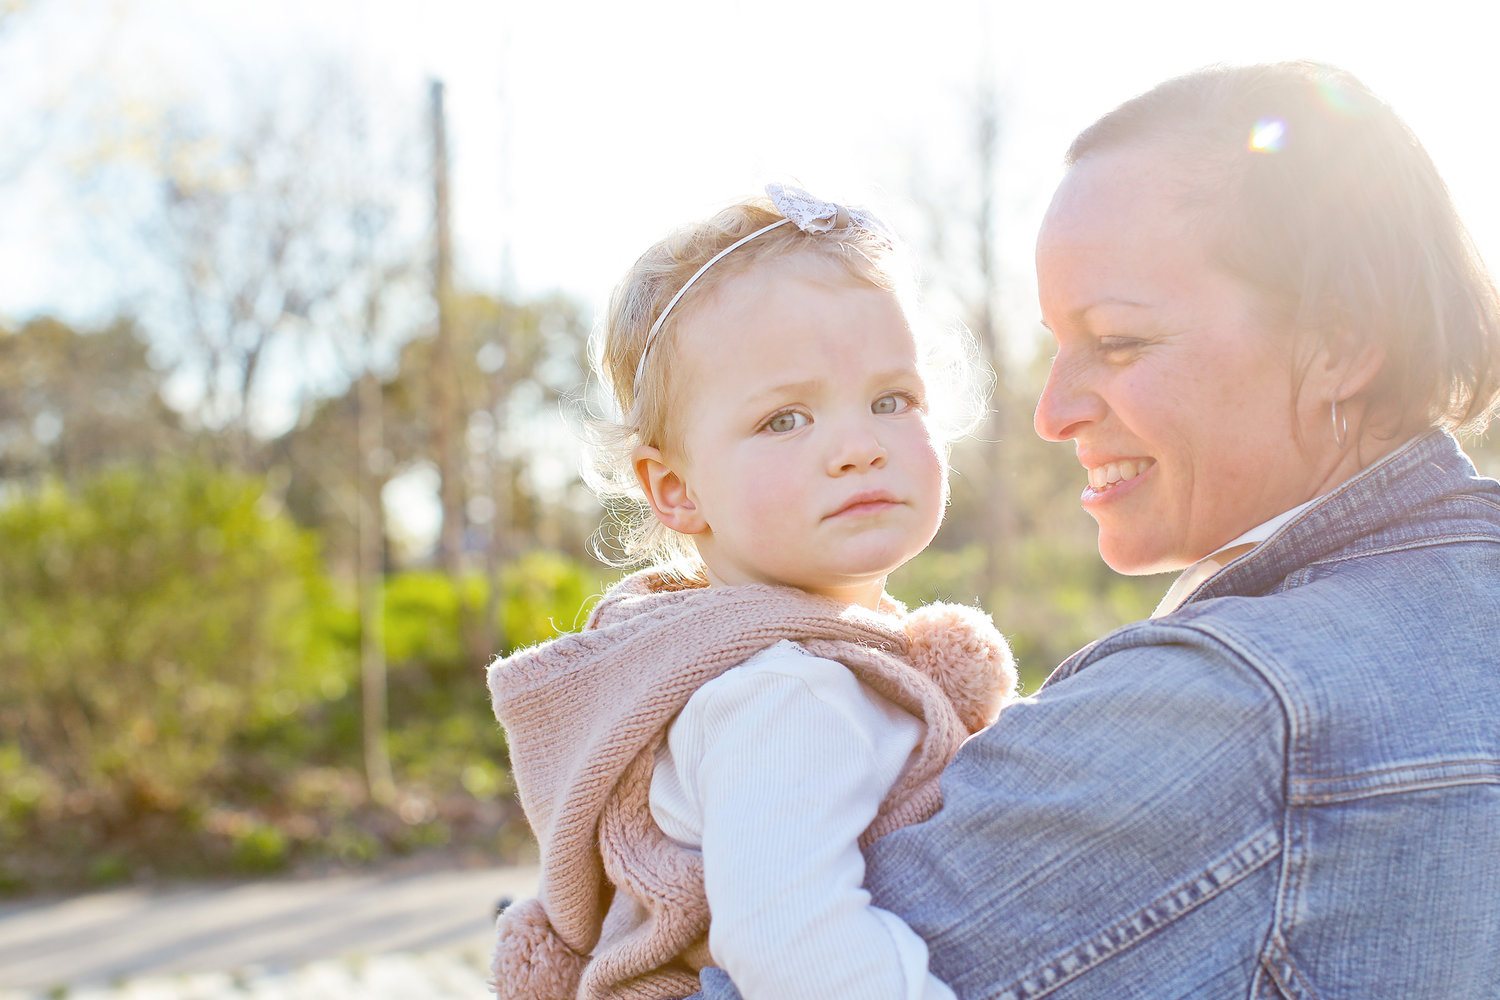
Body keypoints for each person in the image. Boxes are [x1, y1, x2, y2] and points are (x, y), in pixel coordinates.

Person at [692, 61, 1500, 1000]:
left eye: (1116, 342)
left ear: (1344, 343)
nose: (1055, 410)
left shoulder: (1236, 709)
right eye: (1056, 345)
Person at [486, 184, 1016, 1000]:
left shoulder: (801, 657)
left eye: (890, 400)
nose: (857, 446)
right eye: (784, 420)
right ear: (676, 491)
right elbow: (791, 944)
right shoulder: (783, 693)